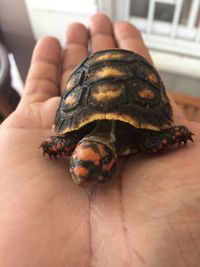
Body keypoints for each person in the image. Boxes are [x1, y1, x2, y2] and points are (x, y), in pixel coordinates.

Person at [0, 13, 199, 267]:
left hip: (120, 79)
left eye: (90, 170)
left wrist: (163, 137)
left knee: (150, 142)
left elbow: (157, 136)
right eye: (84, 169)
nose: (83, 178)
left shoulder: (142, 137)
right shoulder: (78, 139)